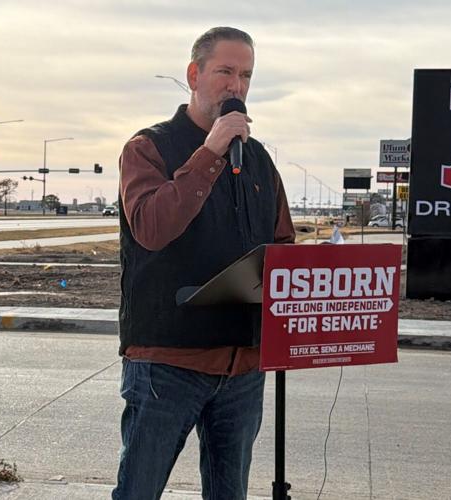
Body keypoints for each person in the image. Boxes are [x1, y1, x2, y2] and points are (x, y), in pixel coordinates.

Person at [113, 27, 295, 500]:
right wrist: (210, 153)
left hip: (243, 367)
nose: (237, 86)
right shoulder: (148, 148)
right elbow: (151, 228)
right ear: (195, 74)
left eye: (247, 75)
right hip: (167, 361)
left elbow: (282, 246)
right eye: (226, 72)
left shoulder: (258, 160)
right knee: (139, 491)